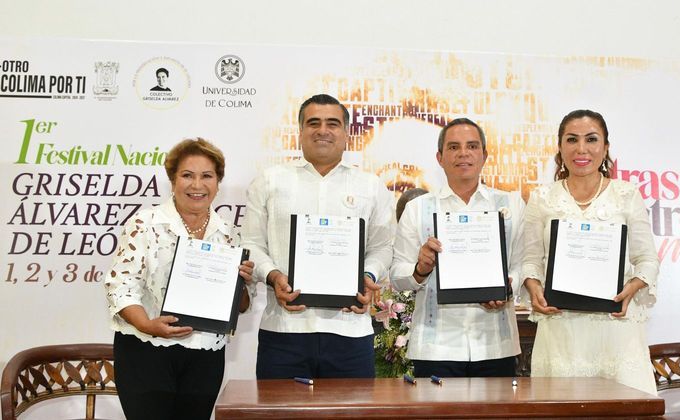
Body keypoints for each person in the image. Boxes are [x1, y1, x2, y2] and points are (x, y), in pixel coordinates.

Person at [241, 94, 395, 379]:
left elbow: (383, 247)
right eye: (313, 123)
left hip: (350, 330)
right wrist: (274, 276)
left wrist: (368, 275)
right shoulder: (269, 181)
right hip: (284, 331)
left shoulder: (371, 186)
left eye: (332, 123)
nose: (322, 130)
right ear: (300, 132)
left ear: (347, 133)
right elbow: (251, 243)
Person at [104, 138, 256, 419]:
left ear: (218, 182)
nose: (197, 185)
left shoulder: (228, 233)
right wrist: (147, 325)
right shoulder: (145, 223)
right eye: (187, 175)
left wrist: (242, 283)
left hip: (204, 355)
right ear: (173, 180)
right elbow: (120, 286)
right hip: (146, 351)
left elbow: (241, 305)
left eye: (207, 176)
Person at [521, 109, 659, 394]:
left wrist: (631, 289)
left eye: (591, 139)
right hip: (560, 332)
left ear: (605, 147)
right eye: (572, 140)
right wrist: (533, 287)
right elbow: (530, 261)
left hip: (614, 332)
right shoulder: (541, 198)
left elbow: (647, 259)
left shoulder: (627, 194)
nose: (581, 149)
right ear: (560, 147)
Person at [390, 118, 525, 378]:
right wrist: (420, 269)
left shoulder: (511, 204)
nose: (463, 153)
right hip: (436, 348)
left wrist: (507, 286)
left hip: (495, 345)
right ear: (440, 157)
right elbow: (397, 276)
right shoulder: (418, 209)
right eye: (453, 147)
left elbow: (522, 264)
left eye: (472, 146)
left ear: (484, 155)